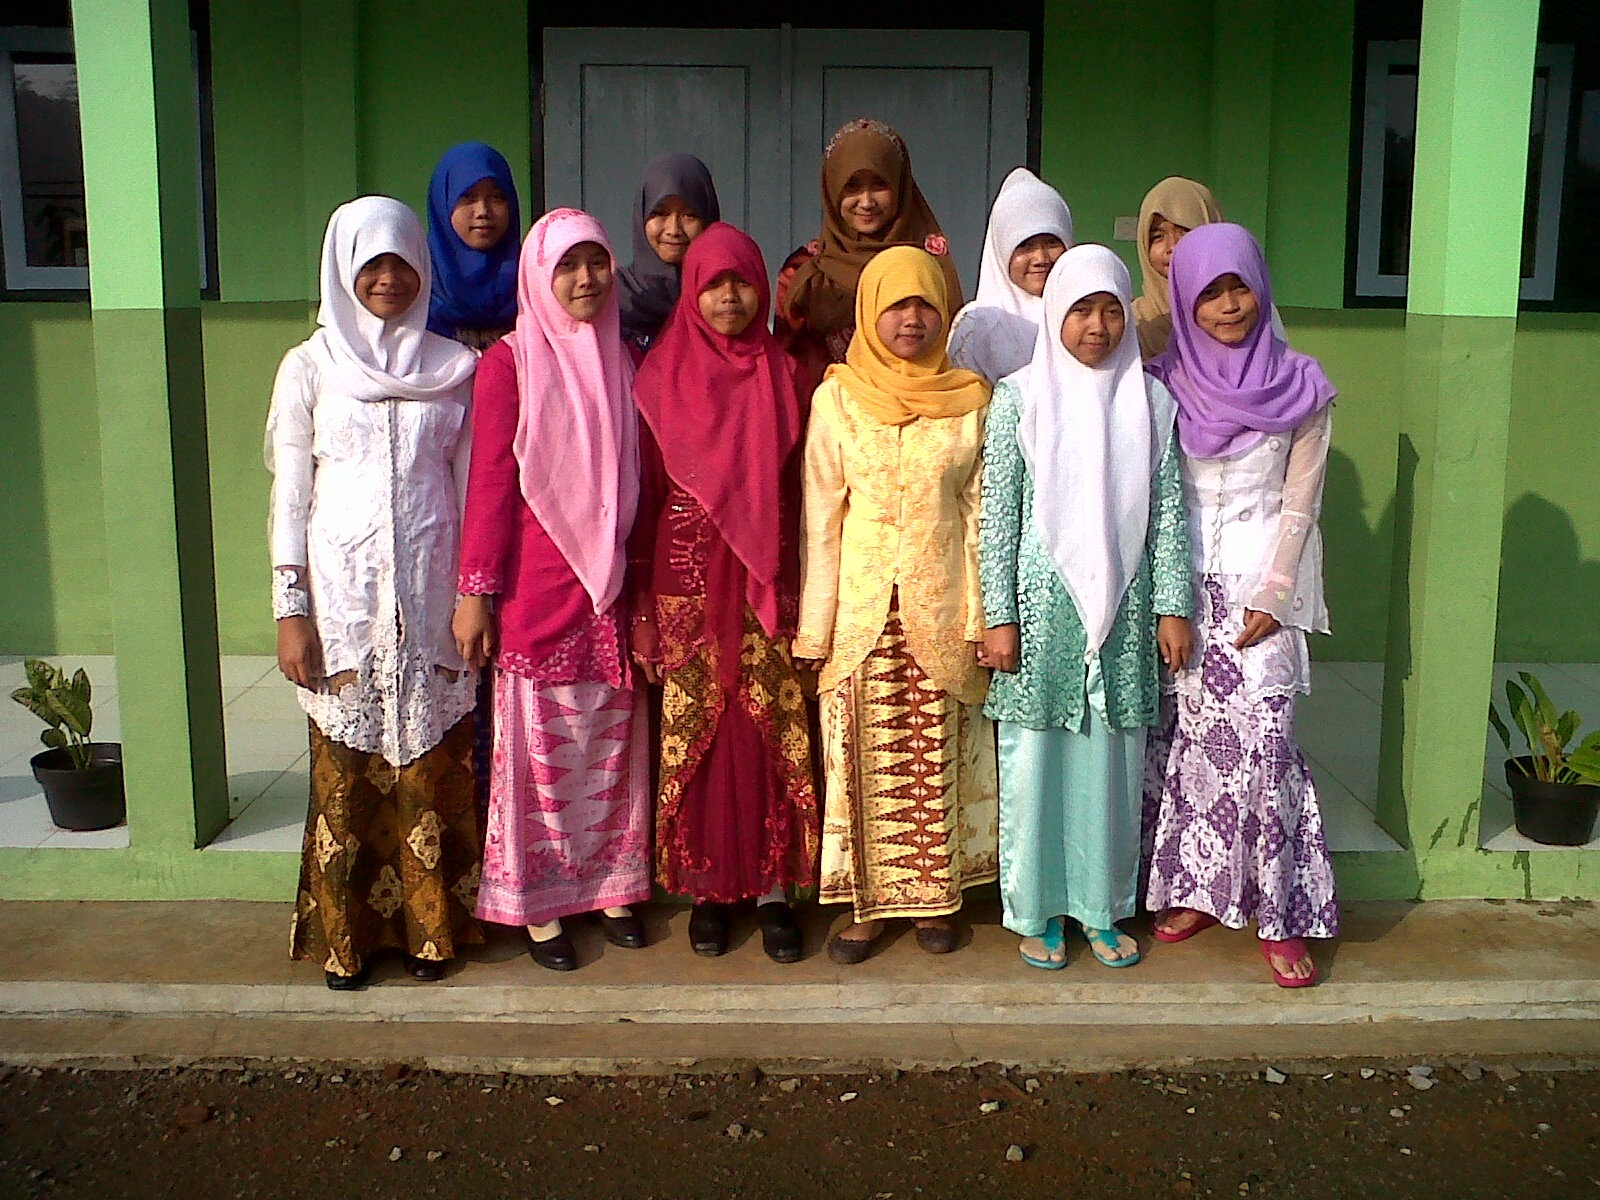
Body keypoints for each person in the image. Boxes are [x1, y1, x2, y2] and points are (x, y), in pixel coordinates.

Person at [270, 196, 482, 990]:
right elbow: (289, 499)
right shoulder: (309, 368)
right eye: (371, 265)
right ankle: (347, 944)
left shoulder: (455, 368)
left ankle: (432, 937)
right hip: (345, 608)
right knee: (346, 774)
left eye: (401, 263)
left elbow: (473, 491)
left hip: (432, 601)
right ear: (343, 271)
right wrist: (291, 611)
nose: (388, 278)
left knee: (432, 768)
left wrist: (475, 594)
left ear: (422, 268)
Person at [978, 244, 1191, 971]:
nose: (1097, 327)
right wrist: (998, 616)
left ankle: (1101, 909)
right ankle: (1035, 910)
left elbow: (1167, 514)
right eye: (1080, 311)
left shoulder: (1152, 402)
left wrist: (1172, 606)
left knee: (1109, 769)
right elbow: (997, 517)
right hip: (1040, 614)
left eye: (1110, 311)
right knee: (1035, 767)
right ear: (1054, 315)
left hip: (1125, 610)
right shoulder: (1019, 398)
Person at [453, 208, 651, 972]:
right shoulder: (508, 364)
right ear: (539, 276)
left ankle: (610, 889)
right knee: (539, 751)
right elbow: (489, 484)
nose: (585, 279)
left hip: (610, 586)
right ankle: (540, 905)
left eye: (596, 262)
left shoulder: (623, 358)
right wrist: (476, 591)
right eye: (567, 266)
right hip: (536, 590)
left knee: (606, 746)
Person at [1143, 222, 1339, 988]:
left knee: (1269, 746)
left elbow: (1301, 504)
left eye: (1240, 287)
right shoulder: (1163, 384)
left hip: (1261, 594)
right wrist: (1168, 600)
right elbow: (1157, 502)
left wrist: (1275, 595)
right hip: (1183, 592)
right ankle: (1197, 890)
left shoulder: (1303, 385)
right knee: (1189, 747)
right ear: (1184, 301)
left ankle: (1279, 915)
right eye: (1210, 293)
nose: (1228, 306)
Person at [792, 245, 997, 965]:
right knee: (863, 758)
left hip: (941, 608)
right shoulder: (838, 399)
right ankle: (865, 907)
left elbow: (979, 517)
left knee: (935, 757)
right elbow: (821, 519)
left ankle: (937, 901)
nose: (912, 319)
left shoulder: (970, 400)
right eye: (897, 305)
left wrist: (982, 618)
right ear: (870, 311)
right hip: (862, 612)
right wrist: (814, 628)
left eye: (926, 305)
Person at [628, 222, 818, 962]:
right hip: (685, 585)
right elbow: (645, 504)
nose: (729, 297)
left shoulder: (787, 375)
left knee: (768, 735)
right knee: (702, 738)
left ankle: (773, 892)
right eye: (713, 284)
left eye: (741, 281)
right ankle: (709, 891)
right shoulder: (659, 377)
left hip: (769, 580)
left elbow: (804, 493)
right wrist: (643, 614)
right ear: (691, 291)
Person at [777, 118, 961, 394]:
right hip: (827, 411)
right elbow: (786, 366)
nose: (866, 202)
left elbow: (952, 349)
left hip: (924, 408)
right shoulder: (805, 272)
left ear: (900, 186)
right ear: (832, 188)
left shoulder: (927, 263)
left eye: (879, 185)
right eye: (851, 187)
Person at [947, 167, 1072, 385]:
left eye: (1052, 242)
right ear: (1001, 250)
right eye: (1025, 245)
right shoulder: (978, 326)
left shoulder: (1087, 314)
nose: (1041, 258)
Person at [617, 153, 721, 362]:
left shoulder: (723, 296)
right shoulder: (613, 298)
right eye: (660, 213)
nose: (673, 230)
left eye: (689, 215)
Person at [425, 142, 521, 350]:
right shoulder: (417, 280)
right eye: (467, 197)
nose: (482, 211)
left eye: (497, 197)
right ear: (443, 203)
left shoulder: (534, 279)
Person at [1131, 177, 1223, 359]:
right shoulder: (1133, 324)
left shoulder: (1240, 314)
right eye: (1158, 237)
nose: (1172, 246)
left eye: (1185, 231)